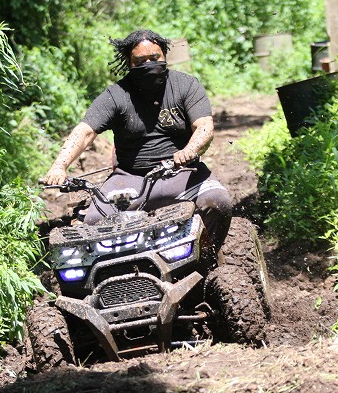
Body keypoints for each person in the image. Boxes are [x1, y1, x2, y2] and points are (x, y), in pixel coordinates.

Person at [41, 29, 233, 252]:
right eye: (141, 61)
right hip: (130, 180)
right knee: (94, 222)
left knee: (218, 201)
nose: (149, 65)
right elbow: (85, 132)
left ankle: (208, 258)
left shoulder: (186, 85)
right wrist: (60, 165)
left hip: (183, 172)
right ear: (129, 62)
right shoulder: (116, 95)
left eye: (155, 58)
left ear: (164, 55)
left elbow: (204, 127)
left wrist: (190, 150)